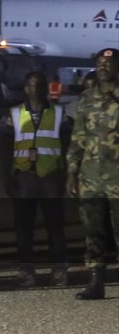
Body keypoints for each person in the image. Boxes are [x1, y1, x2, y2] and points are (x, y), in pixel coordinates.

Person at [4, 71, 69, 288]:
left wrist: (66, 175)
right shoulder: (14, 114)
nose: (37, 89)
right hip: (24, 177)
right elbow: (7, 148)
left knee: (55, 227)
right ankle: (26, 271)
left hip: (51, 177)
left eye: (41, 85)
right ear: (26, 89)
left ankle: (59, 271)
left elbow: (67, 146)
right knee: (24, 228)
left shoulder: (59, 113)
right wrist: (7, 177)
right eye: (32, 85)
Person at [66, 48, 118, 301]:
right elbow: (78, 137)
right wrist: (72, 172)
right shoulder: (87, 98)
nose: (102, 67)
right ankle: (96, 282)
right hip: (91, 177)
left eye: (108, 63)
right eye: (99, 63)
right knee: (93, 231)